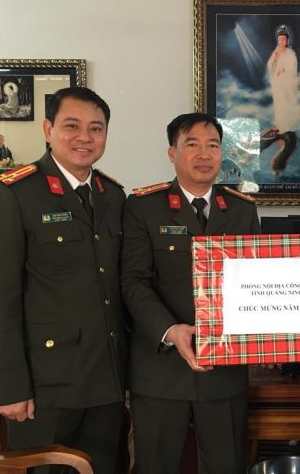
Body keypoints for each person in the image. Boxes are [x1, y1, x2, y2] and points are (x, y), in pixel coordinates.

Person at [0, 87, 128, 473]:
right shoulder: (13, 192)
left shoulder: (112, 195)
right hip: (45, 385)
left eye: (96, 128)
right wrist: (9, 386)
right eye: (72, 126)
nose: (85, 137)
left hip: (107, 378)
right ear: (48, 129)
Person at [121, 112, 261, 473]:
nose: (204, 154)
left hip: (224, 370)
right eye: (192, 144)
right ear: (172, 153)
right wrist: (170, 330)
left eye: (213, 145)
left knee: (226, 465)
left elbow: (256, 284)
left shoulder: (242, 210)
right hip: (160, 370)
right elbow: (133, 282)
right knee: (155, 467)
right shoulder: (143, 206)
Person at [267, 24, 300, 134]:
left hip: (287, 84)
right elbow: (270, 65)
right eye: (279, 39)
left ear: (287, 40)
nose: (281, 41)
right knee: (279, 105)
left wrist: (283, 69)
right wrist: (275, 59)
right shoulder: (276, 51)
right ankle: (280, 125)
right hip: (278, 84)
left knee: (286, 104)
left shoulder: (291, 53)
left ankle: (287, 127)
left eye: (283, 39)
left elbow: (292, 68)